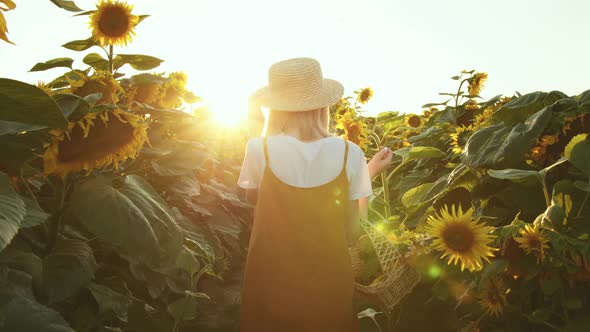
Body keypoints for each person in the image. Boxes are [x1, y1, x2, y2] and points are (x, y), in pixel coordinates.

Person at [238, 57, 393, 332]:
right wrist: (367, 173)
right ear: (323, 105)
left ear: (275, 107)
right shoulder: (350, 153)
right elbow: (353, 228)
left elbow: (254, 201)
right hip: (328, 282)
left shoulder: (257, 149)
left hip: (270, 281)